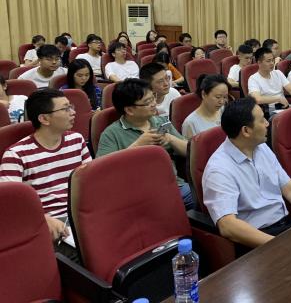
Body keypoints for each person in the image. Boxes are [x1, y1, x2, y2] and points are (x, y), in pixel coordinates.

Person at [202, 97, 291, 250]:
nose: (267, 124)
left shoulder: (260, 147)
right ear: (246, 131)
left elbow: (289, 187)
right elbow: (228, 226)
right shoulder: (219, 169)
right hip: (256, 240)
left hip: (285, 225)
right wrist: (280, 246)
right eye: (262, 120)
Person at [0, 89, 91, 253]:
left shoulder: (77, 140)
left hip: (82, 214)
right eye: (66, 109)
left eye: (71, 106)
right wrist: (43, 219)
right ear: (44, 119)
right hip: (48, 223)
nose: (73, 112)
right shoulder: (16, 154)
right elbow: (10, 203)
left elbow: (90, 182)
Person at [96, 79, 193, 209]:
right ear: (129, 110)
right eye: (148, 102)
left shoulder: (160, 122)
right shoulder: (111, 134)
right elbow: (103, 171)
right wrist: (138, 145)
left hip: (175, 187)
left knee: (206, 197)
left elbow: (190, 151)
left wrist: (170, 138)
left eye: (153, 97)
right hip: (137, 195)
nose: (154, 104)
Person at [248, 47, 291, 116]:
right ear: (259, 62)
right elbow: (257, 99)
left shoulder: (278, 73)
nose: (272, 63)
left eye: (273, 60)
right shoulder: (253, 79)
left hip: (284, 108)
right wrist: (278, 99)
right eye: (268, 61)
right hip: (270, 111)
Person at [182, 74, 228, 138]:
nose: (222, 102)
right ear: (204, 94)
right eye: (218, 97)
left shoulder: (223, 111)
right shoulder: (190, 123)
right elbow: (189, 144)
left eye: (225, 97)